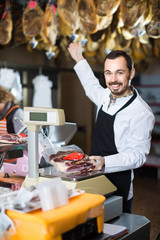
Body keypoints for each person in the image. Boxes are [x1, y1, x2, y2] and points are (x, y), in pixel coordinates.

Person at [68, 42, 155, 213]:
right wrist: (79, 58)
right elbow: (90, 85)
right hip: (93, 179)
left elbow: (138, 156)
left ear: (131, 73)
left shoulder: (141, 112)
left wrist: (104, 162)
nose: (113, 79)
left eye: (119, 73)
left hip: (119, 186)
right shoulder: (105, 96)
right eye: (108, 73)